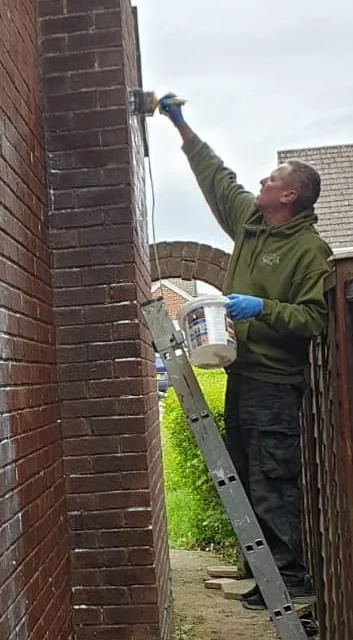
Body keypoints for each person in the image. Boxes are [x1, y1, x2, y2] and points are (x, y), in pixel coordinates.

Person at [158, 93, 332, 610]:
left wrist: (263, 308)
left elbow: (315, 320)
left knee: (272, 476)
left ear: (291, 194)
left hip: (276, 382)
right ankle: (266, 572)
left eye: (271, 181)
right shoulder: (251, 227)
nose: (261, 184)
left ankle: (291, 577)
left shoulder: (309, 251)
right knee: (243, 472)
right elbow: (219, 179)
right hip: (243, 374)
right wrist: (181, 125)